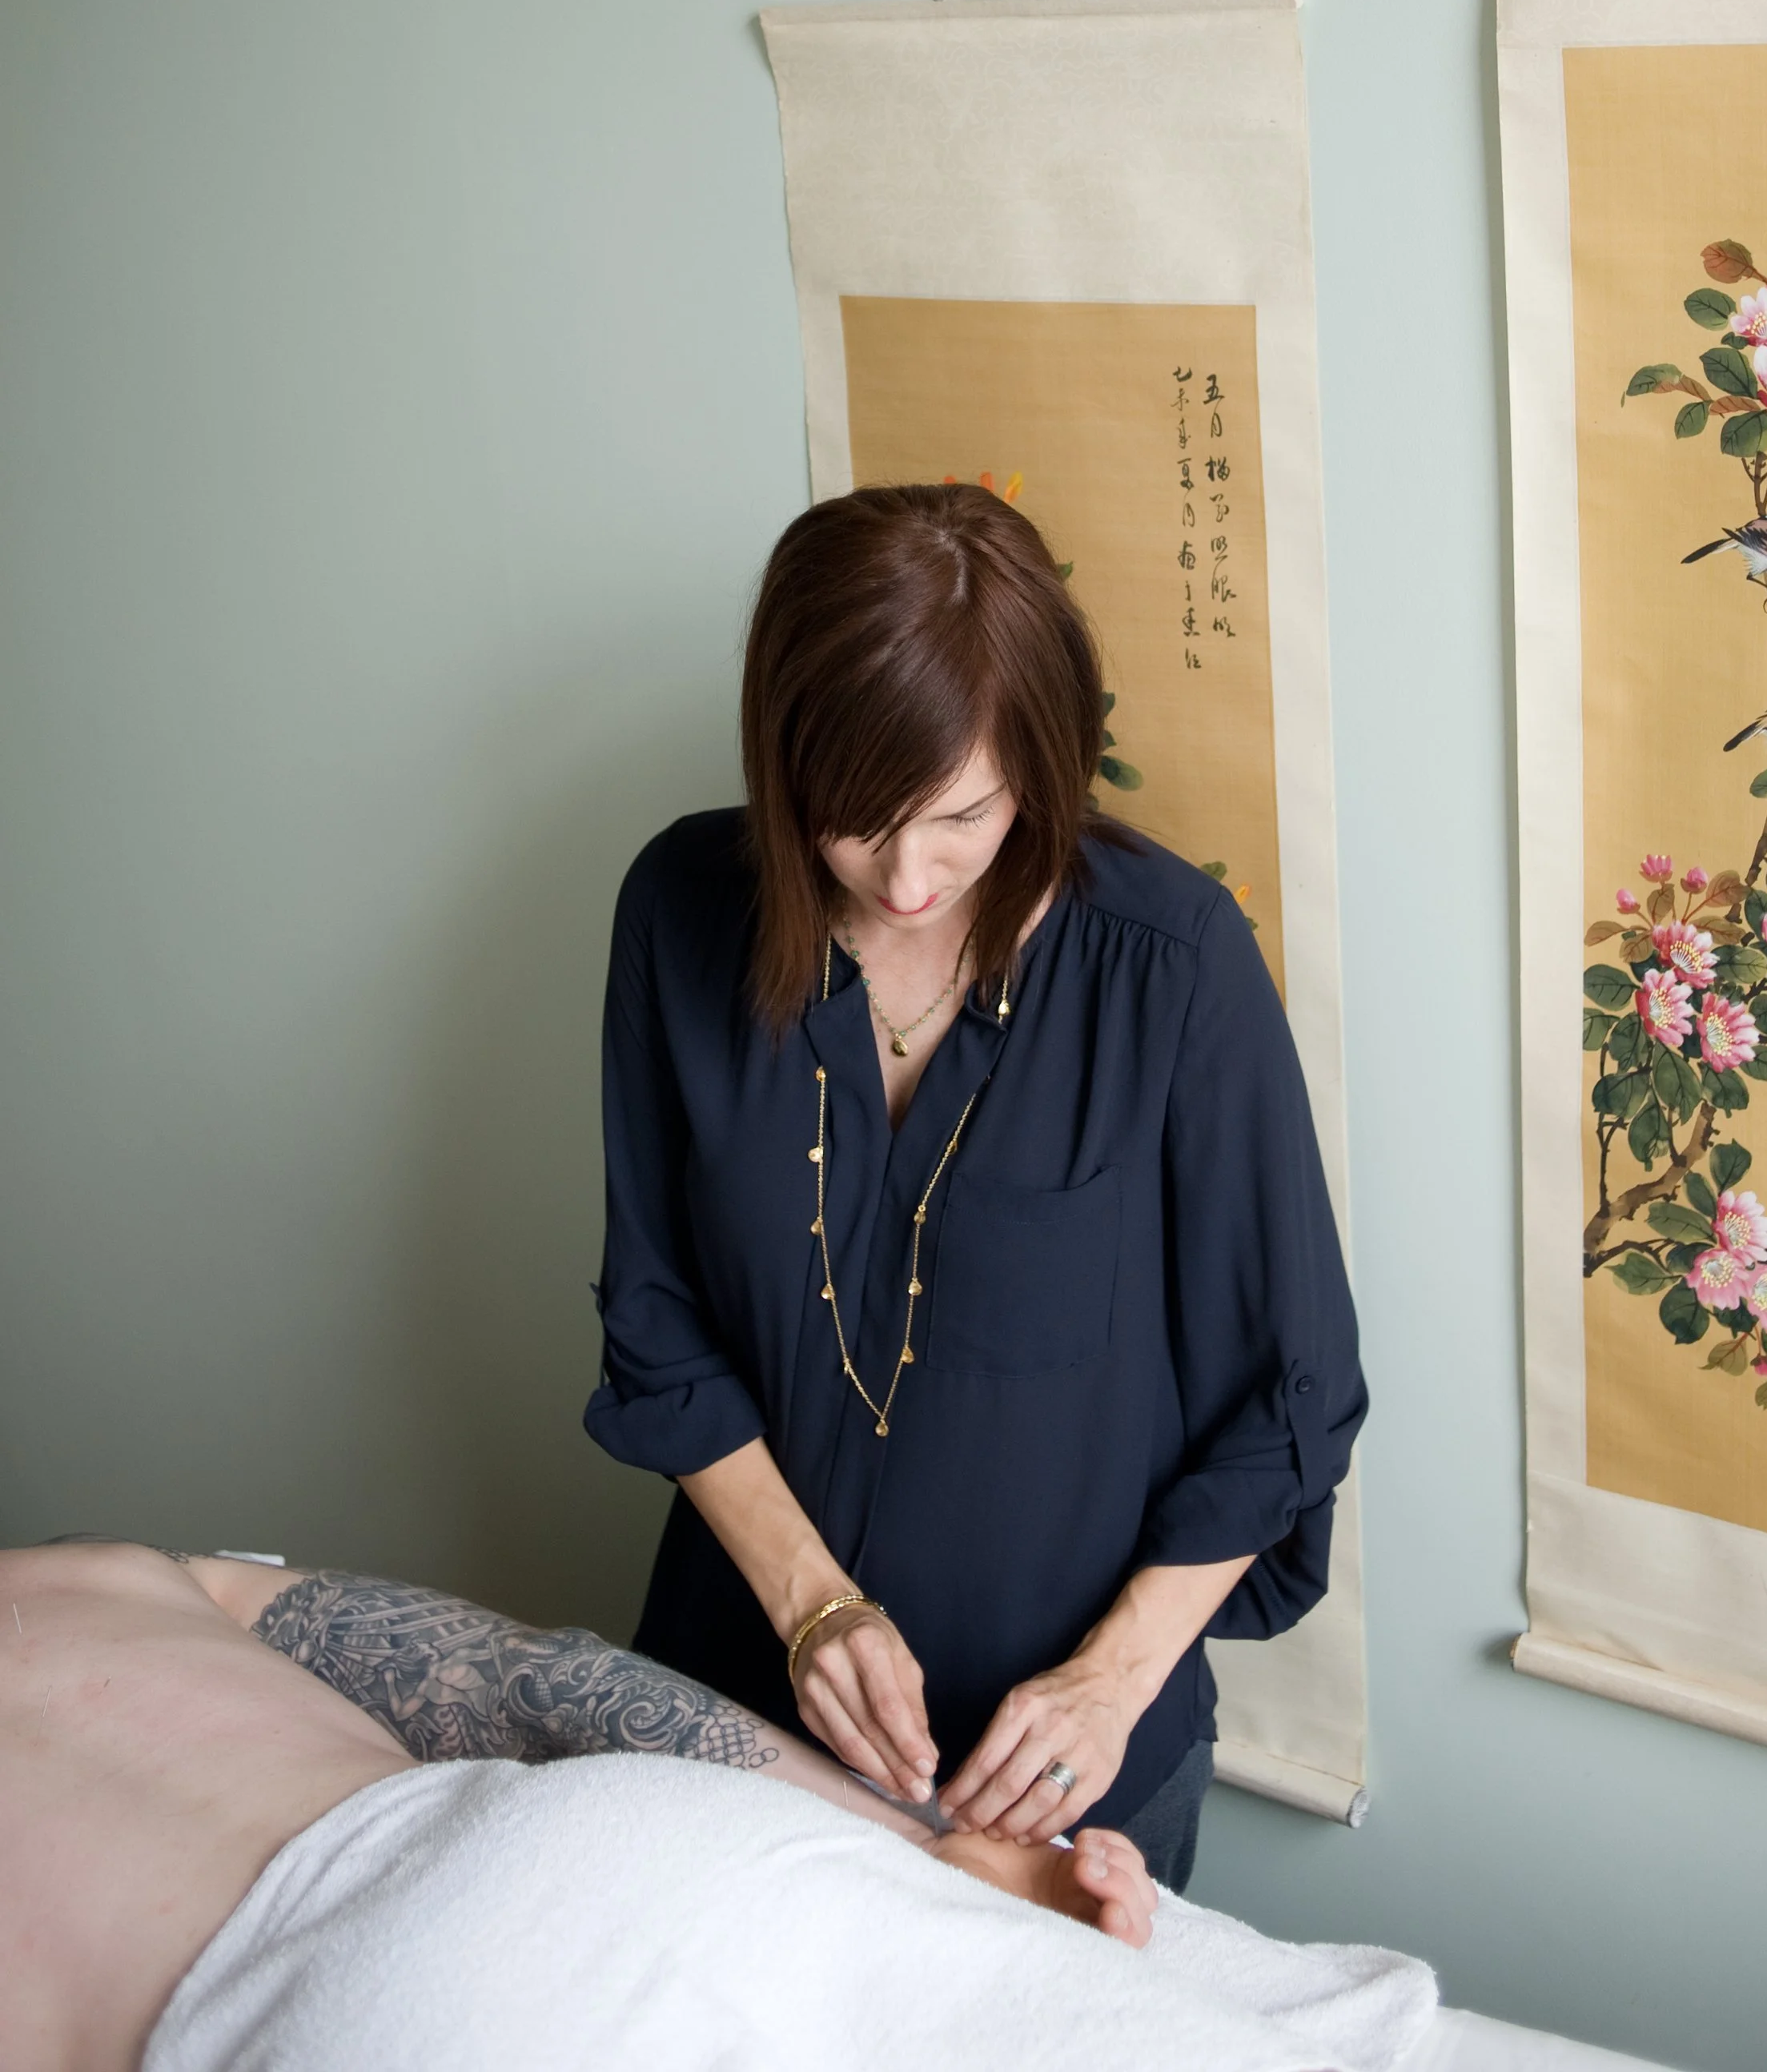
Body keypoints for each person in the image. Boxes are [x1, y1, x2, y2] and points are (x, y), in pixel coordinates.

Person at [586, 481, 1364, 1892]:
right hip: (734, 1700)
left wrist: (1110, 1686)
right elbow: (656, 1321)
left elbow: (1289, 1406)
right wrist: (811, 1608)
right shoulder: (679, 911)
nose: (903, 877)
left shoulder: (1172, 964)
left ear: (1042, 771)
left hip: (1060, 1760)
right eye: (851, 819)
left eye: (960, 816)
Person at [0, 1535, 1155, 2072]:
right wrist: (903, 1854)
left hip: (471, 1941)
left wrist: (915, 1852)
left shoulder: (108, 1569)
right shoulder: (103, 1571)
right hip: (458, 1937)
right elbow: (544, 1684)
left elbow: (530, 1682)